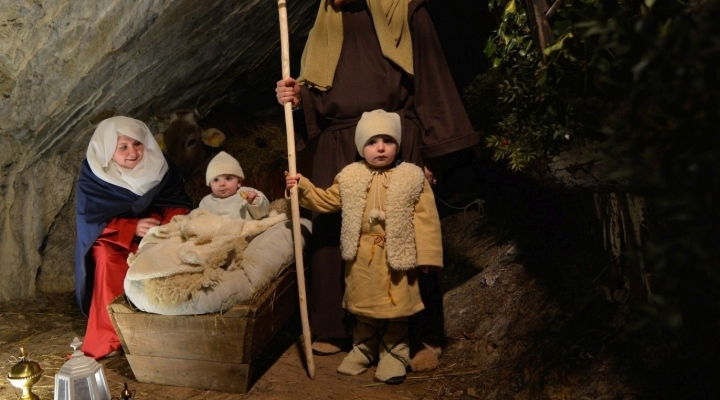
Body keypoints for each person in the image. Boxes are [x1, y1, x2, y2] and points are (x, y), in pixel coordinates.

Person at [275, 0, 478, 369]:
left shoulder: (406, 10)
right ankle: (339, 328)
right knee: (334, 237)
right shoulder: (326, 21)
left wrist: (433, 154)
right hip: (339, 144)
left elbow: (433, 80)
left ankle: (418, 333)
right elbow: (318, 92)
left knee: (404, 236)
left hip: (395, 136)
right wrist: (296, 97)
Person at [286, 110, 442, 383]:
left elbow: (426, 219)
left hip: (397, 255)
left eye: (387, 140)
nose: (380, 148)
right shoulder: (351, 176)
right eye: (371, 142)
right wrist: (301, 187)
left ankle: (394, 353)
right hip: (362, 258)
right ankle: (364, 346)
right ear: (360, 146)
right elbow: (326, 201)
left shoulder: (411, 177)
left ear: (398, 144)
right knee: (363, 305)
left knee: (395, 309)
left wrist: (427, 255)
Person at [75, 116, 192, 359]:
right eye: (123, 147)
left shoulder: (160, 166)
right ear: (108, 149)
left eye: (137, 144)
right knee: (107, 258)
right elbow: (91, 220)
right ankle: (114, 334)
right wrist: (133, 226)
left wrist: (168, 228)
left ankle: (168, 330)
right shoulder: (95, 172)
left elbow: (177, 203)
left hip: (157, 233)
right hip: (115, 237)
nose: (133, 152)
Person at [198, 151, 270, 220]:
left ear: (239, 182)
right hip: (217, 232)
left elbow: (262, 213)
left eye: (228, 178)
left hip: (244, 230)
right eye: (216, 180)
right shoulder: (206, 202)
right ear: (210, 184)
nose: (222, 184)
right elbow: (202, 222)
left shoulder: (247, 193)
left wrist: (254, 201)